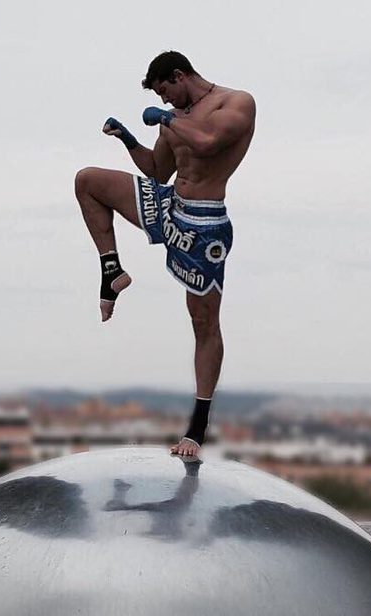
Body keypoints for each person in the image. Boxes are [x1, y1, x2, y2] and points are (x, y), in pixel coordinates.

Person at [74, 50, 256, 458]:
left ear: (179, 75)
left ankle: (197, 427)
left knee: (203, 322)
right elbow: (157, 170)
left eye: (166, 92)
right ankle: (111, 271)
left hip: (204, 222)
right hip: (170, 204)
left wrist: (170, 120)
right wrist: (127, 138)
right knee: (87, 181)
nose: (165, 102)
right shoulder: (175, 115)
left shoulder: (235, 102)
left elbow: (209, 144)